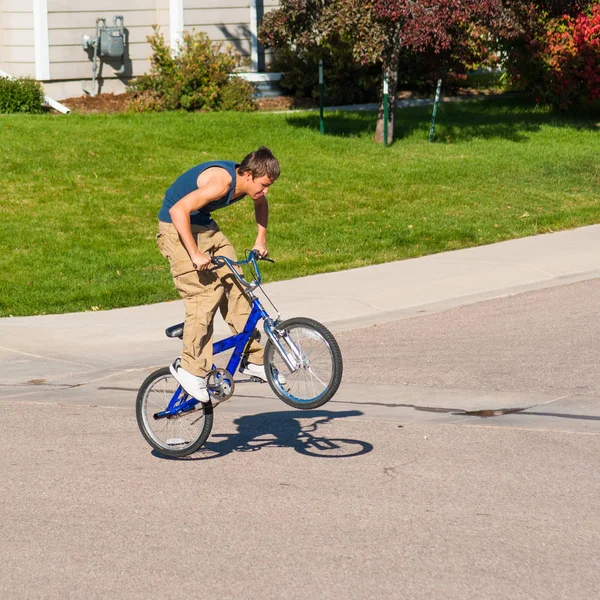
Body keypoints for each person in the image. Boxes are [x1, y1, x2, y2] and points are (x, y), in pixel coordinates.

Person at [156, 147, 280, 401]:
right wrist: (194, 255)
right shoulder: (221, 183)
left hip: (204, 225)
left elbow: (261, 202)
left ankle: (253, 358)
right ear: (247, 175)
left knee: (237, 286)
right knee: (204, 296)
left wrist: (261, 239)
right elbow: (177, 211)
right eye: (264, 185)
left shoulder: (250, 184)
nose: (266, 190)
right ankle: (190, 369)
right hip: (175, 227)